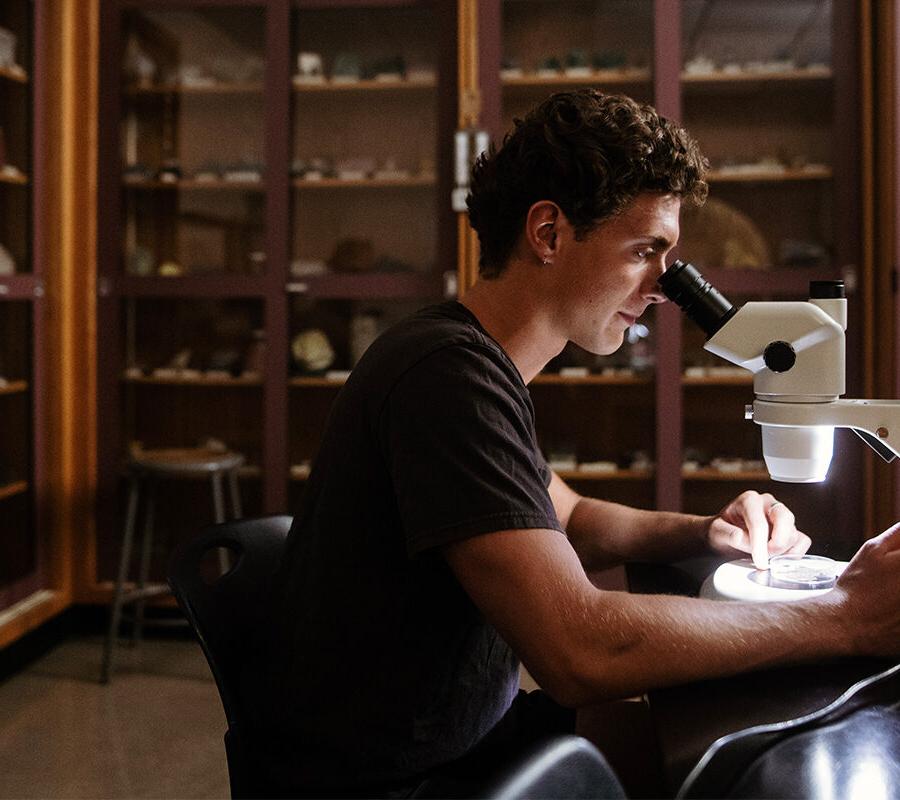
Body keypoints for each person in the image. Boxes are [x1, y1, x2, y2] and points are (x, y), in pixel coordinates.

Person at [249, 90, 900, 798]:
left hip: (458, 739)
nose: (660, 287)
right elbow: (580, 649)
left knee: (668, 743)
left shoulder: (468, 360)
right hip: (394, 781)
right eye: (645, 251)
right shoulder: (445, 377)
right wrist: (846, 617)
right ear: (549, 234)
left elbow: (571, 518)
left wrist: (707, 532)